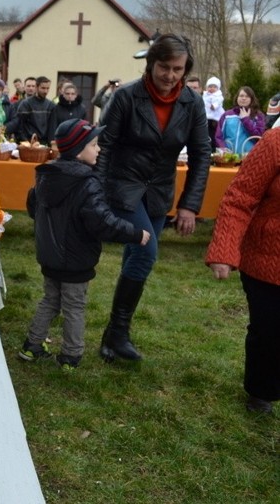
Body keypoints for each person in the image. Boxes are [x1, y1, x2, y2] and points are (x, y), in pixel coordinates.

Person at [96, 33, 211, 362]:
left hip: (160, 191)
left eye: (178, 69)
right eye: (165, 67)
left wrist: (190, 205)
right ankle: (118, 333)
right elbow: (105, 148)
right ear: (151, 64)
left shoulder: (191, 102)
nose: (171, 76)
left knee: (136, 256)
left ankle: (111, 338)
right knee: (146, 253)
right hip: (123, 185)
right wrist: (98, 193)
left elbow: (202, 154)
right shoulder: (126, 97)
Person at [22, 119, 149, 369]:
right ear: (79, 150)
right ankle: (71, 354)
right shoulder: (86, 182)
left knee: (50, 299)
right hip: (76, 260)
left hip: (49, 256)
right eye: (93, 144)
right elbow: (102, 221)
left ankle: (32, 345)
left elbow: (33, 207)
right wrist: (135, 234)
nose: (99, 149)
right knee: (74, 306)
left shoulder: (46, 176)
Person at [206, 127, 280, 414]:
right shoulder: (275, 143)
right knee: (269, 331)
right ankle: (261, 392)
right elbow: (239, 198)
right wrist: (224, 250)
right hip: (267, 257)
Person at [6, 76, 58, 144]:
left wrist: (50, 144)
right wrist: (25, 141)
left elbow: (52, 128)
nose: (45, 91)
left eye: (47, 88)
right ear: (36, 87)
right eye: (43, 88)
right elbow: (19, 126)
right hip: (28, 143)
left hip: (44, 144)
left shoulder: (51, 105)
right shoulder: (26, 104)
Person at [214, 86, 266, 154]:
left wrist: (245, 120)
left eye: (247, 96)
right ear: (237, 98)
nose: (243, 98)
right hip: (229, 159)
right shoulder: (227, 115)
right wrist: (224, 151)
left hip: (249, 157)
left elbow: (259, 136)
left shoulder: (258, 116)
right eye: (241, 96)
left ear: (251, 99)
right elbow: (219, 136)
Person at [203, 76, 225, 148]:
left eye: (214, 87)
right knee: (206, 135)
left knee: (214, 134)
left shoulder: (218, 96)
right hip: (206, 117)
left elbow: (216, 104)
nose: (212, 88)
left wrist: (213, 105)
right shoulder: (205, 95)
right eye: (210, 86)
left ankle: (214, 147)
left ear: (217, 88)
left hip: (215, 118)